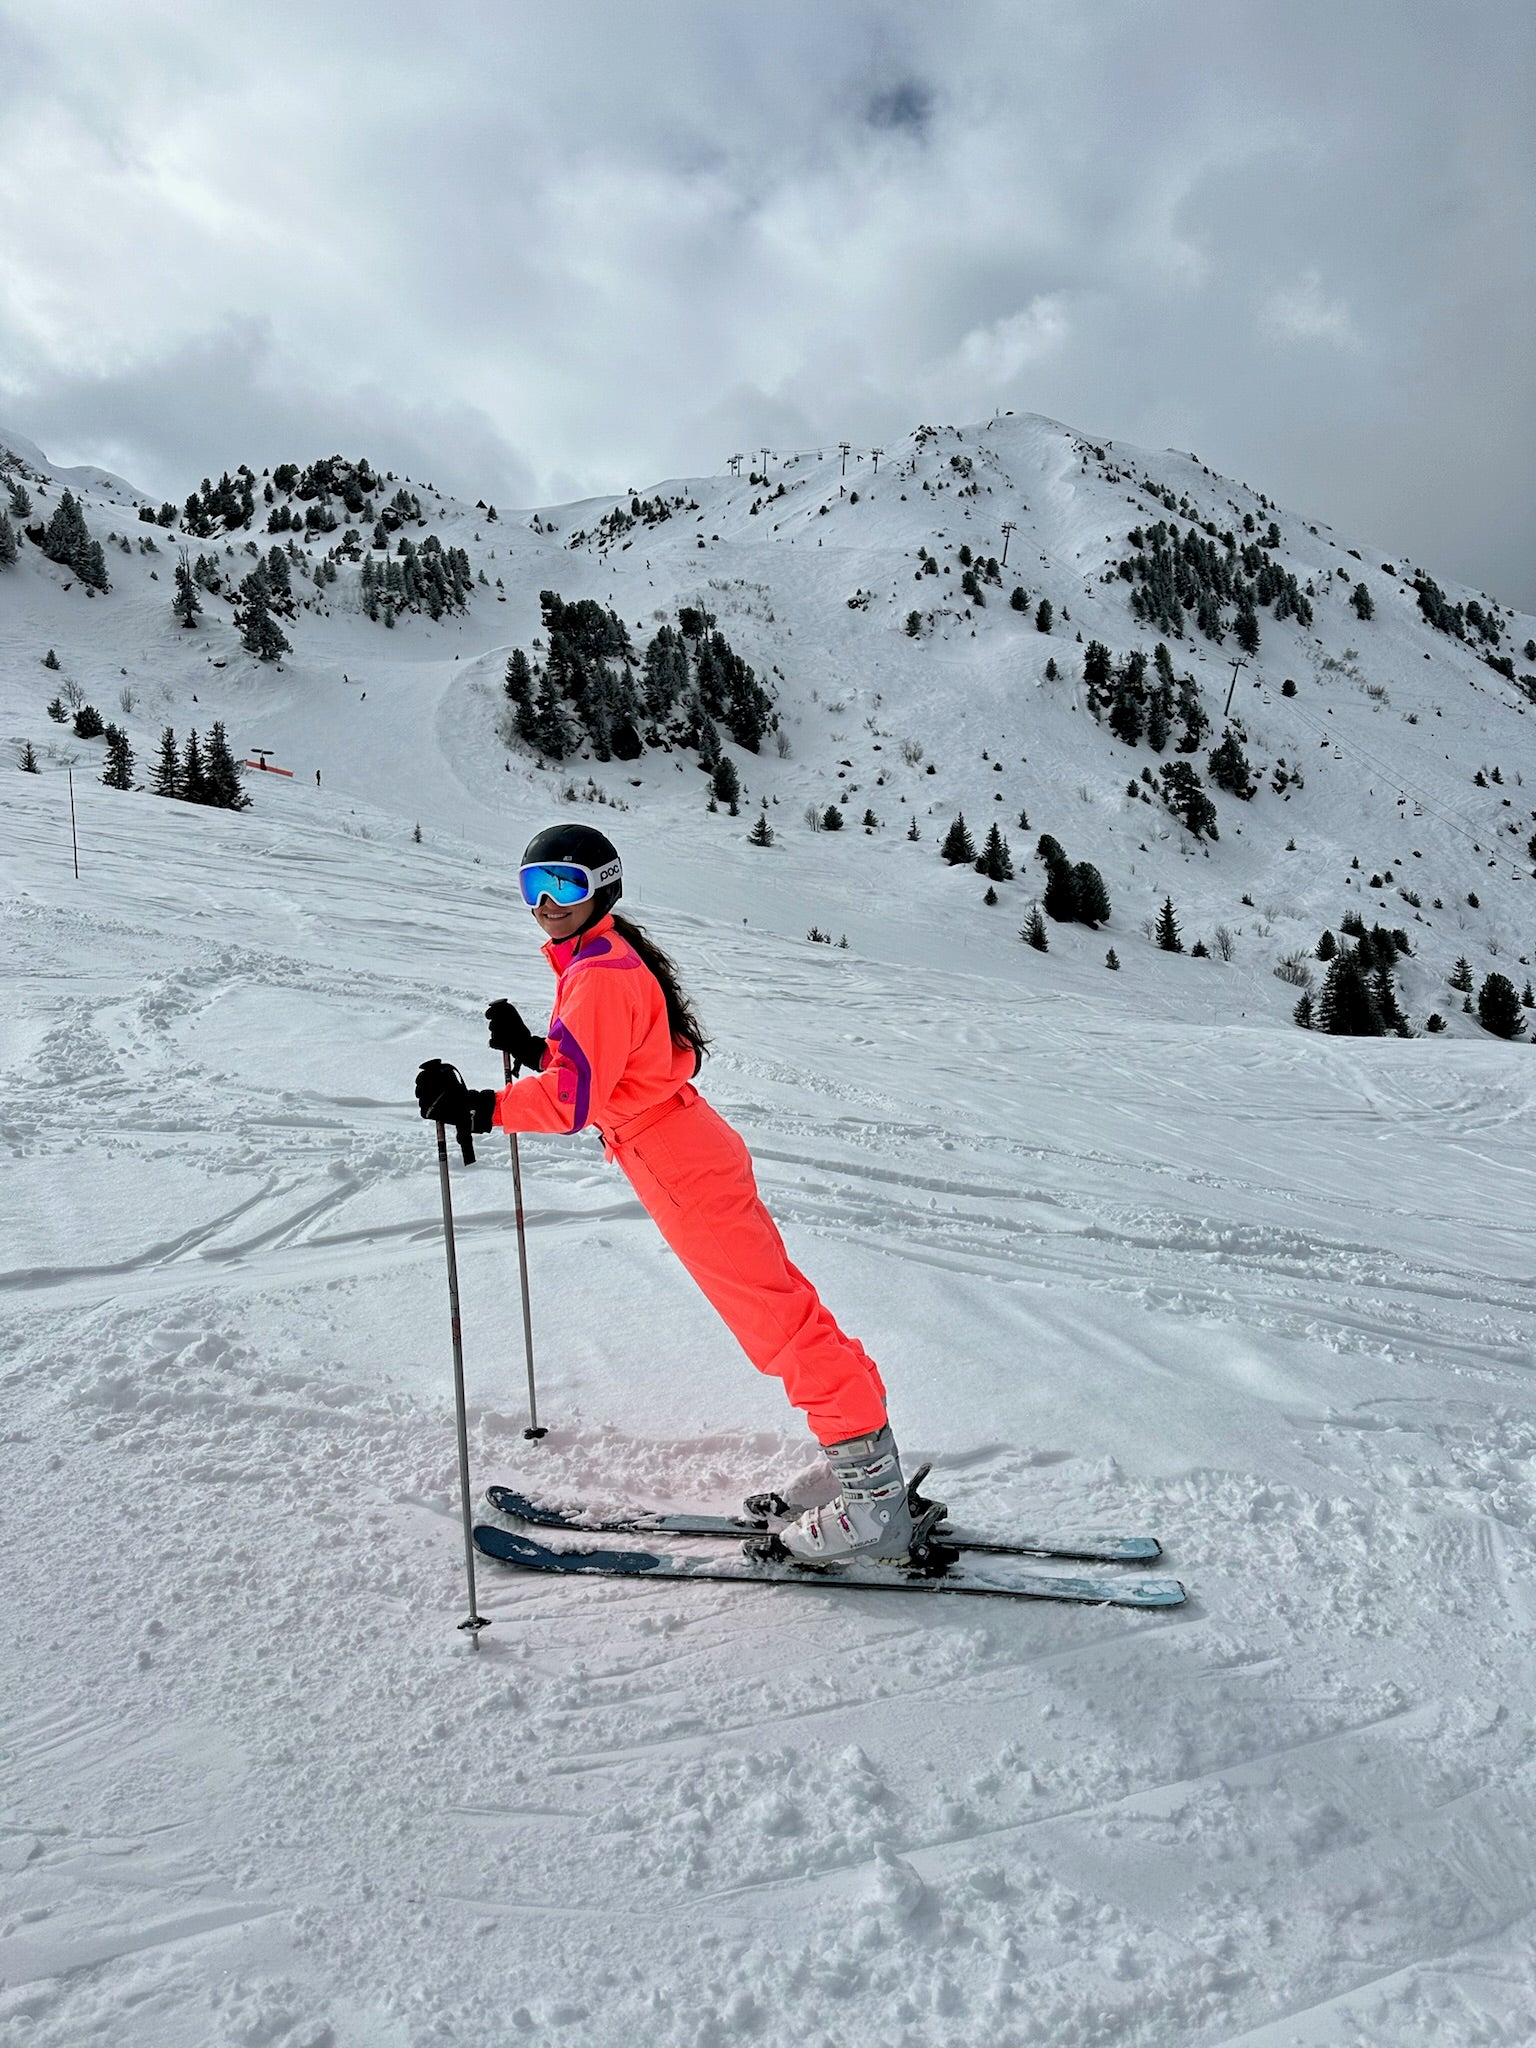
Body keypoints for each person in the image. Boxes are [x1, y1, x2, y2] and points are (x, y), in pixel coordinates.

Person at [414, 822, 914, 1564]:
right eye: (533, 887)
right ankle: (865, 1467)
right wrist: (535, 1049)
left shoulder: (600, 973)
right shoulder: (598, 956)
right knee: (784, 1309)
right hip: (678, 1147)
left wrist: (481, 1107)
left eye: (565, 885)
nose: (547, 902)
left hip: (680, 1164)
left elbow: (570, 1104)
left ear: (602, 889)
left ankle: (875, 1506)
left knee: (779, 1326)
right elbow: (612, 1060)